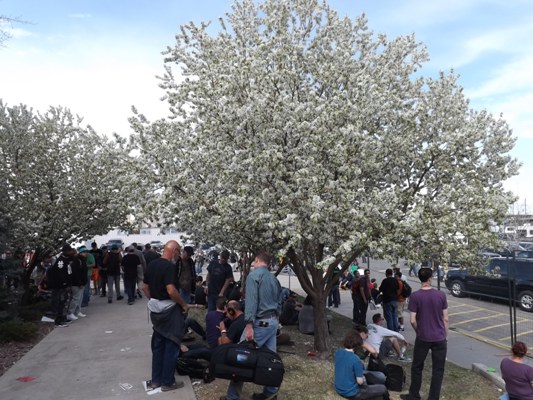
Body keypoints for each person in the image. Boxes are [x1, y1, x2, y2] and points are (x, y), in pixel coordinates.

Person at [223, 252, 281, 400]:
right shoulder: (274, 278)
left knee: (241, 356)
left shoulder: (253, 276)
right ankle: (271, 392)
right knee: (271, 359)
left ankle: (232, 396)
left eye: (253, 262)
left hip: (259, 323)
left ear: (257, 261)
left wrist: (249, 325)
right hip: (272, 321)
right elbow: (279, 301)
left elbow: (251, 301)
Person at [143, 240, 188, 392]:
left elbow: (145, 287)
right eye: (179, 252)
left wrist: (153, 300)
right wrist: (183, 304)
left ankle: (156, 380)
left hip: (156, 310)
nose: (179, 255)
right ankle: (168, 382)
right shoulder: (169, 266)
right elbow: (171, 290)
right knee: (172, 345)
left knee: (158, 346)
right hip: (169, 310)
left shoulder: (152, 265)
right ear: (174, 251)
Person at [400, 267, 448, 400]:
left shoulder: (415, 296)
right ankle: (433, 397)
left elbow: (412, 319)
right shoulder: (441, 295)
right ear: (430, 279)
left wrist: (419, 331)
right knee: (438, 370)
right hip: (439, 337)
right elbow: (446, 318)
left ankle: (414, 395)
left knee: (417, 367)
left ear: (419, 278)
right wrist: (445, 336)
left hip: (423, 337)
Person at [334, 329, 389, 400]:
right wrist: (363, 379)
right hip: (352, 393)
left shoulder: (339, 352)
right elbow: (360, 382)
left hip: (339, 389)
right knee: (383, 388)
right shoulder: (355, 359)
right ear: (358, 345)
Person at [47, 244, 75, 327]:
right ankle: (58, 320)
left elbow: (68, 272)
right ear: (66, 251)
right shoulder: (61, 261)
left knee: (63, 302)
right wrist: (65, 284)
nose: (71, 252)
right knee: (60, 301)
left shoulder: (66, 260)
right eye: (69, 251)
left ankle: (62, 317)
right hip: (60, 286)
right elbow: (61, 275)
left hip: (64, 285)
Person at [66, 247, 88, 321]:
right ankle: (70, 313)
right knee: (76, 298)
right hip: (77, 283)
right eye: (84, 252)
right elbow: (76, 273)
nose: (86, 253)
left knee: (79, 298)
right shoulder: (77, 260)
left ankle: (77, 311)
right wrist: (80, 283)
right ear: (81, 253)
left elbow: (83, 272)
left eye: (86, 252)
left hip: (81, 283)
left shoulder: (82, 260)